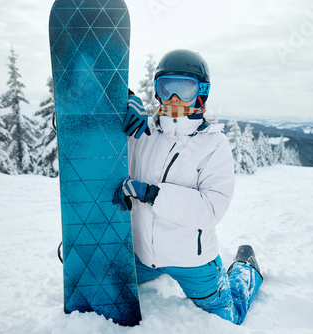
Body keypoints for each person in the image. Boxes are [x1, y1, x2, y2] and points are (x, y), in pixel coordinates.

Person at [113, 49, 263, 325]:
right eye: (166, 87)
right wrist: (121, 97)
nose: (174, 99)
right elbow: (81, 132)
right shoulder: (140, 132)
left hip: (192, 261)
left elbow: (210, 209)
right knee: (105, 281)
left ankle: (246, 269)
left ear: (201, 92)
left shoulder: (214, 145)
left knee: (228, 318)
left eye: (185, 88)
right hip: (143, 255)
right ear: (157, 90)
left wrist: (153, 193)